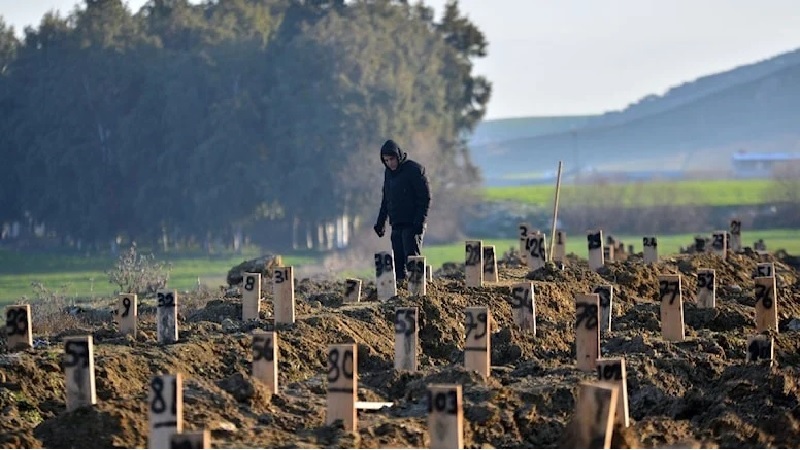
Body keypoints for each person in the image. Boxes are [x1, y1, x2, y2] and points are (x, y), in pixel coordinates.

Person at [373, 139, 431, 286]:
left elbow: (424, 198)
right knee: (398, 260)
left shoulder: (414, 170)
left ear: (398, 156)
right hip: (397, 223)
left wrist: (420, 220)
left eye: (391, 159)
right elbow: (386, 199)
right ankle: (401, 290)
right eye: (386, 160)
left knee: (411, 258)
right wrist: (381, 223)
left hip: (413, 223)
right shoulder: (388, 174)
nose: (389, 163)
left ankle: (417, 292)